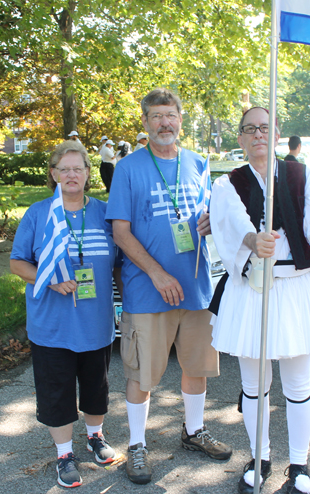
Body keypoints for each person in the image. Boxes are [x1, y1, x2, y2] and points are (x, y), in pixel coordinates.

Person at [209, 107, 310, 494]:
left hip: (297, 287)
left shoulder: (301, 175)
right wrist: (252, 240)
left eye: (265, 127)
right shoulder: (228, 183)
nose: (258, 134)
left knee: (298, 385)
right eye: (250, 129)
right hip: (252, 290)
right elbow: (228, 222)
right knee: (253, 385)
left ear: (275, 133)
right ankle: (259, 457)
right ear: (241, 137)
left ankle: (299, 465)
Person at [105, 88, 232, 486]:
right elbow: (120, 232)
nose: (164, 123)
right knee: (142, 373)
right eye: (156, 116)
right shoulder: (128, 168)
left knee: (197, 367)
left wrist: (210, 219)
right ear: (145, 123)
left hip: (195, 287)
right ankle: (138, 445)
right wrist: (157, 274)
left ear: (180, 119)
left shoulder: (197, 162)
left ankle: (193, 432)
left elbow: (207, 210)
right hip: (147, 289)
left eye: (170, 115)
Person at [10, 140, 121, 488]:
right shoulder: (39, 214)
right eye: (64, 169)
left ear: (89, 173)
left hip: (96, 324)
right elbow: (17, 262)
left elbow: (120, 263)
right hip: (51, 326)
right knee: (56, 392)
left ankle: (95, 437)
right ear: (54, 174)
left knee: (96, 388)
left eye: (79, 168)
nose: (72, 175)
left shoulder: (105, 213)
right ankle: (63, 453)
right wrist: (49, 279)